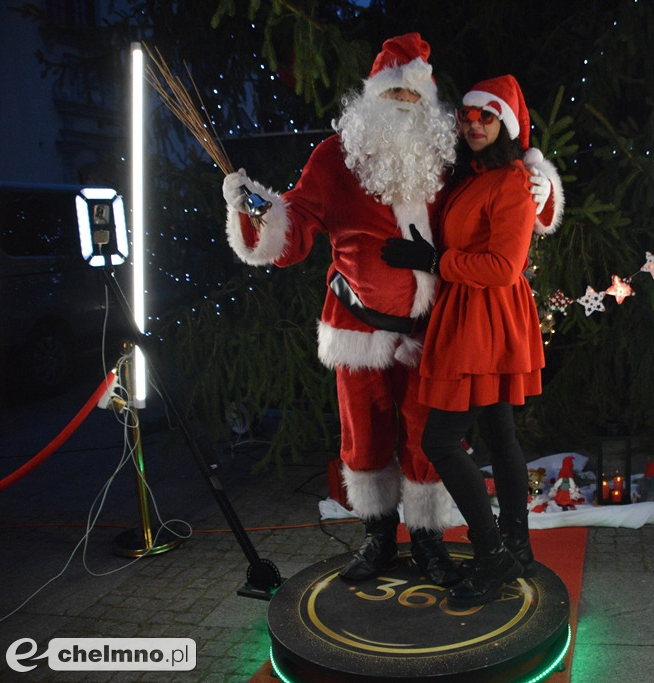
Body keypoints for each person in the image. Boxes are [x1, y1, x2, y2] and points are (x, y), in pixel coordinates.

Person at [221, 36, 562, 587]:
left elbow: (508, 184)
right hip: (357, 326)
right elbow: (295, 228)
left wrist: (541, 182)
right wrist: (255, 209)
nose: (404, 100)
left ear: (427, 99)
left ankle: (428, 542)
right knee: (365, 438)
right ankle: (378, 539)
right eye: (393, 90)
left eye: (413, 91)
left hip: (434, 331)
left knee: (429, 439)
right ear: (372, 97)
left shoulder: (448, 157)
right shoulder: (336, 157)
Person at [382, 74, 561, 607]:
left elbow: (504, 267)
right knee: (500, 431)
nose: (474, 124)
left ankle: (492, 556)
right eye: (467, 115)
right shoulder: (473, 176)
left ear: (504, 123)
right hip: (473, 312)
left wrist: (435, 261)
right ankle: (517, 544)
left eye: (487, 116)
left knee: (440, 440)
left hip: (485, 316)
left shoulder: (511, 180)